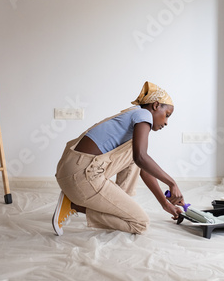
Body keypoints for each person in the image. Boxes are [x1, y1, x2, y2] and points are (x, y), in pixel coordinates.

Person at [52, 81, 184, 236]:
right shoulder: (144, 114)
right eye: (167, 115)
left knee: (136, 152)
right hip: (82, 176)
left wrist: (165, 204)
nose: (166, 122)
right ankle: (74, 206)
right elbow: (141, 158)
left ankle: (116, 204)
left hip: (72, 170)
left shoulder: (133, 113)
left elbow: (142, 166)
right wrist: (172, 183)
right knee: (140, 223)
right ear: (155, 105)